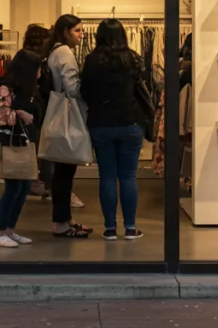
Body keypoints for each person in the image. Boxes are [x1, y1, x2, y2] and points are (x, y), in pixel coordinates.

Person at [80, 18, 147, 241]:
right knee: (128, 176)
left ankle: (110, 229)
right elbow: (142, 88)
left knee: (107, 177)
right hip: (130, 122)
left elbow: (84, 92)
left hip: (101, 124)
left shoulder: (91, 61)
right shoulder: (132, 58)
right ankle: (130, 228)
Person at [45, 14, 92, 238]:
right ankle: (61, 223)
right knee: (65, 172)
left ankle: (65, 219)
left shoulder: (53, 51)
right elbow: (72, 88)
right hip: (67, 114)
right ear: (65, 31)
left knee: (62, 172)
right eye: (77, 31)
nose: (81, 35)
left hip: (57, 112)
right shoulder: (65, 52)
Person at [0, 50, 44, 248]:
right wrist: (22, 116)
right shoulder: (7, 87)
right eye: (37, 68)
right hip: (12, 142)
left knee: (23, 187)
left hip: (27, 142)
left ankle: (9, 229)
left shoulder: (30, 88)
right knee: (13, 187)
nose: (40, 72)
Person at [21, 24, 53, 198]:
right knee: (39, 147)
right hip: (34, 110)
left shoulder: (25, 57)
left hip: (32, 109)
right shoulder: (34, 60)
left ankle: (34, 182)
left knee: (34, 148)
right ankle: (36, 183)